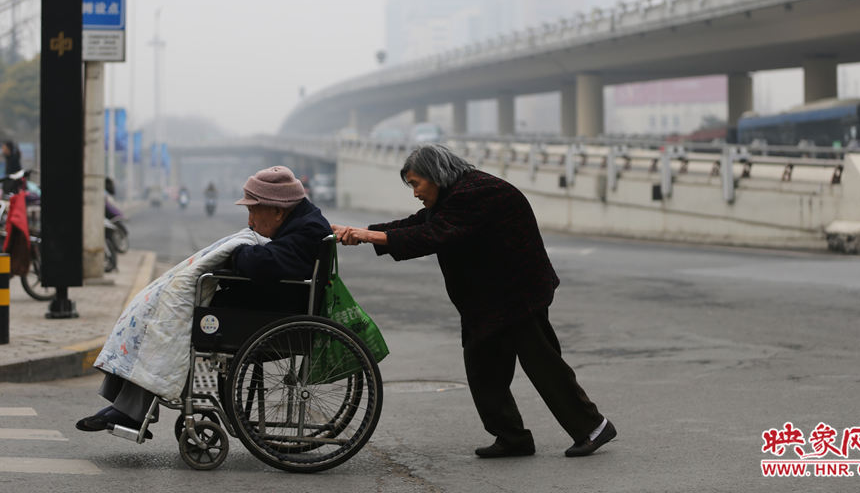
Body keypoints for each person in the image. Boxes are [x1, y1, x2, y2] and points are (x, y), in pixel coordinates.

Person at [331, 144, 615, 459]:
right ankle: (512, 437)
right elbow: (419, 223)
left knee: (543, 364)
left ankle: (593, 427)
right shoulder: (454, 195)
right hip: (488, 299)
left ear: (435, 175)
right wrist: (362, 232)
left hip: (518, 294)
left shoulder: (478, 192)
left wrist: (369, 236)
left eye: (416, 184)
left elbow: (433, 235)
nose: (414, 192)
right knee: (483, 368)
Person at [76, 166, 331, 436]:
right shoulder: (303, 222)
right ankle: (128, 407)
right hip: (266, 306)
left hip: (273, 316)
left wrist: (236, 253)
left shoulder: (307, 230)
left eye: (253, 211)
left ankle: (130, 410)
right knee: (160, 314)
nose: (250, 222)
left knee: (171, 321)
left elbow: (262, 264)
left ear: (278, 211)